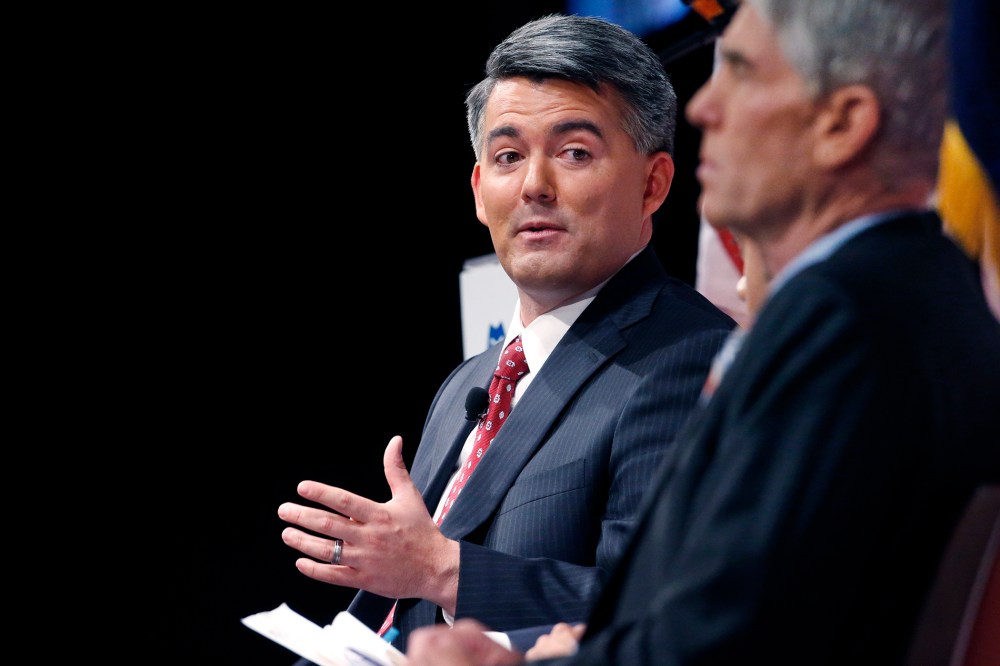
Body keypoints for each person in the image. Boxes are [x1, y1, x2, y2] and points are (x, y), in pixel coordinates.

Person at [405, 1, 1000, 664]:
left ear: (843, 124)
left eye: (740, 73)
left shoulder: (848, 321)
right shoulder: (903, 292)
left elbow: (730, 640)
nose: (701, 108)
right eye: (509, 155)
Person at [276, 13, 736, 656]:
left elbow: (661, 610)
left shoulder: (690, 359)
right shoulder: (470, 381)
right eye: (508, 156)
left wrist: (443, 569)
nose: (534, 186)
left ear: (654, 183)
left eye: (575, 153)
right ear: (477, 190)